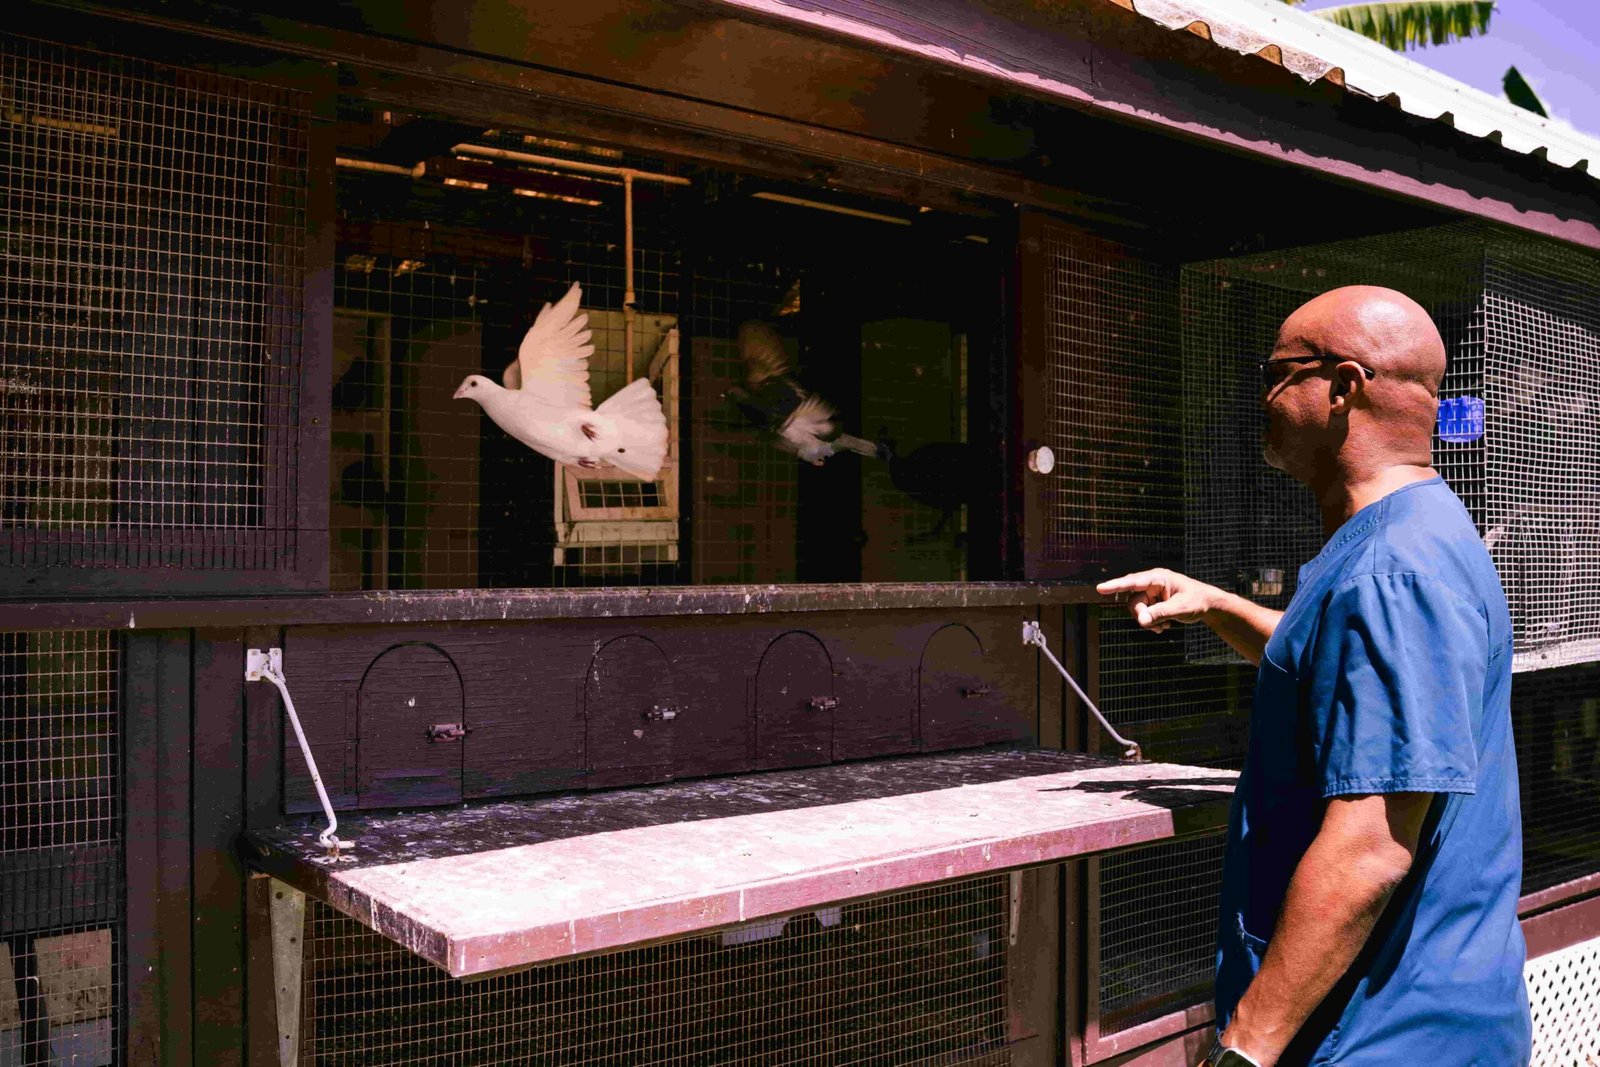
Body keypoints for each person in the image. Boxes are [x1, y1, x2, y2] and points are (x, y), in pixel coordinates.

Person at [1098, 286, 1530, 1066]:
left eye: (1278, 371)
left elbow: (1371, 846)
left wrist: (1244, 1049)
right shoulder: (1424, 530)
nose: (1263, 395)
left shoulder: (1393, 570)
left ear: (1343, 386)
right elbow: (1344, 676)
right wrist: (1219, 605)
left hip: (1380, 1035)